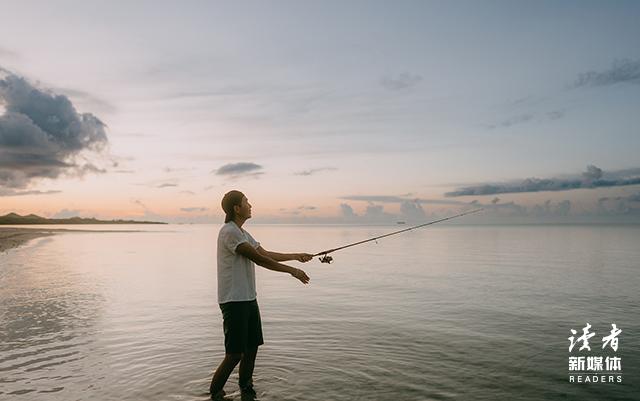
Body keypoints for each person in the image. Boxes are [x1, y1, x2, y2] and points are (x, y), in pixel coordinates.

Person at [210, 190, 312, 400]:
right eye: (246, 202)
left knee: (251, 348)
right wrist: (293, 272)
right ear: (237, 208)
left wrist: (295, 257)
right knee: (234, 354)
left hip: (248, 299)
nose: (250, 205)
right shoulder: (229, 232)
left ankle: (246, 389)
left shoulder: (243, 233)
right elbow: (259, 259)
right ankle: (215, 394)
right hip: (233, 301)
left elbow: (265, 253)